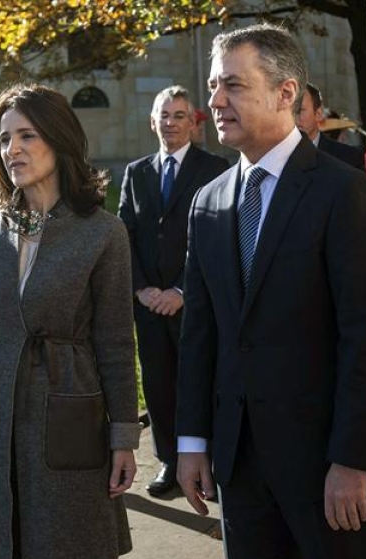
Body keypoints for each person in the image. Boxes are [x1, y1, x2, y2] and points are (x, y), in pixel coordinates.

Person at [176, 24, 366, 559]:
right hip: (241, 462)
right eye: (212, 86)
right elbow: (202, 332)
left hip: (328, 462)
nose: (215, 102)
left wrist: (351, 460)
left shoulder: (342, 193)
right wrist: (194, 441)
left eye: (231, 85)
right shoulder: (210, 201)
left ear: (285, 93)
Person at [0, 84, 140, 559]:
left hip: (69, 412)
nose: (12, 150)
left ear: (59, 138)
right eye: (4, 139)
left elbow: (117, 342)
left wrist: (123, 437)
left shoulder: (103, 232)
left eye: (26, 135)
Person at [117, 86, 228, 497]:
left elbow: (216, 238)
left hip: (195, 303)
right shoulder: (136, 172)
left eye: (179, 115)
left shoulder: (215, 168)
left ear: (193, 123)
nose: (171, 123)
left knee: (199, 382)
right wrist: (142, 289)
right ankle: (170, 461)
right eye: (164, 115)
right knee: (159, 385)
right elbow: (123, 233)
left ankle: (209, 464)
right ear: (152, 122)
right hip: (148, 306)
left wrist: (181, 289)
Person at [295, 82, 365, 170]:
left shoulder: (348, 157)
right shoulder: (274, 154)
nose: (292, 117)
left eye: (299, 110)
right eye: (285, 111)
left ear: (318, 114)